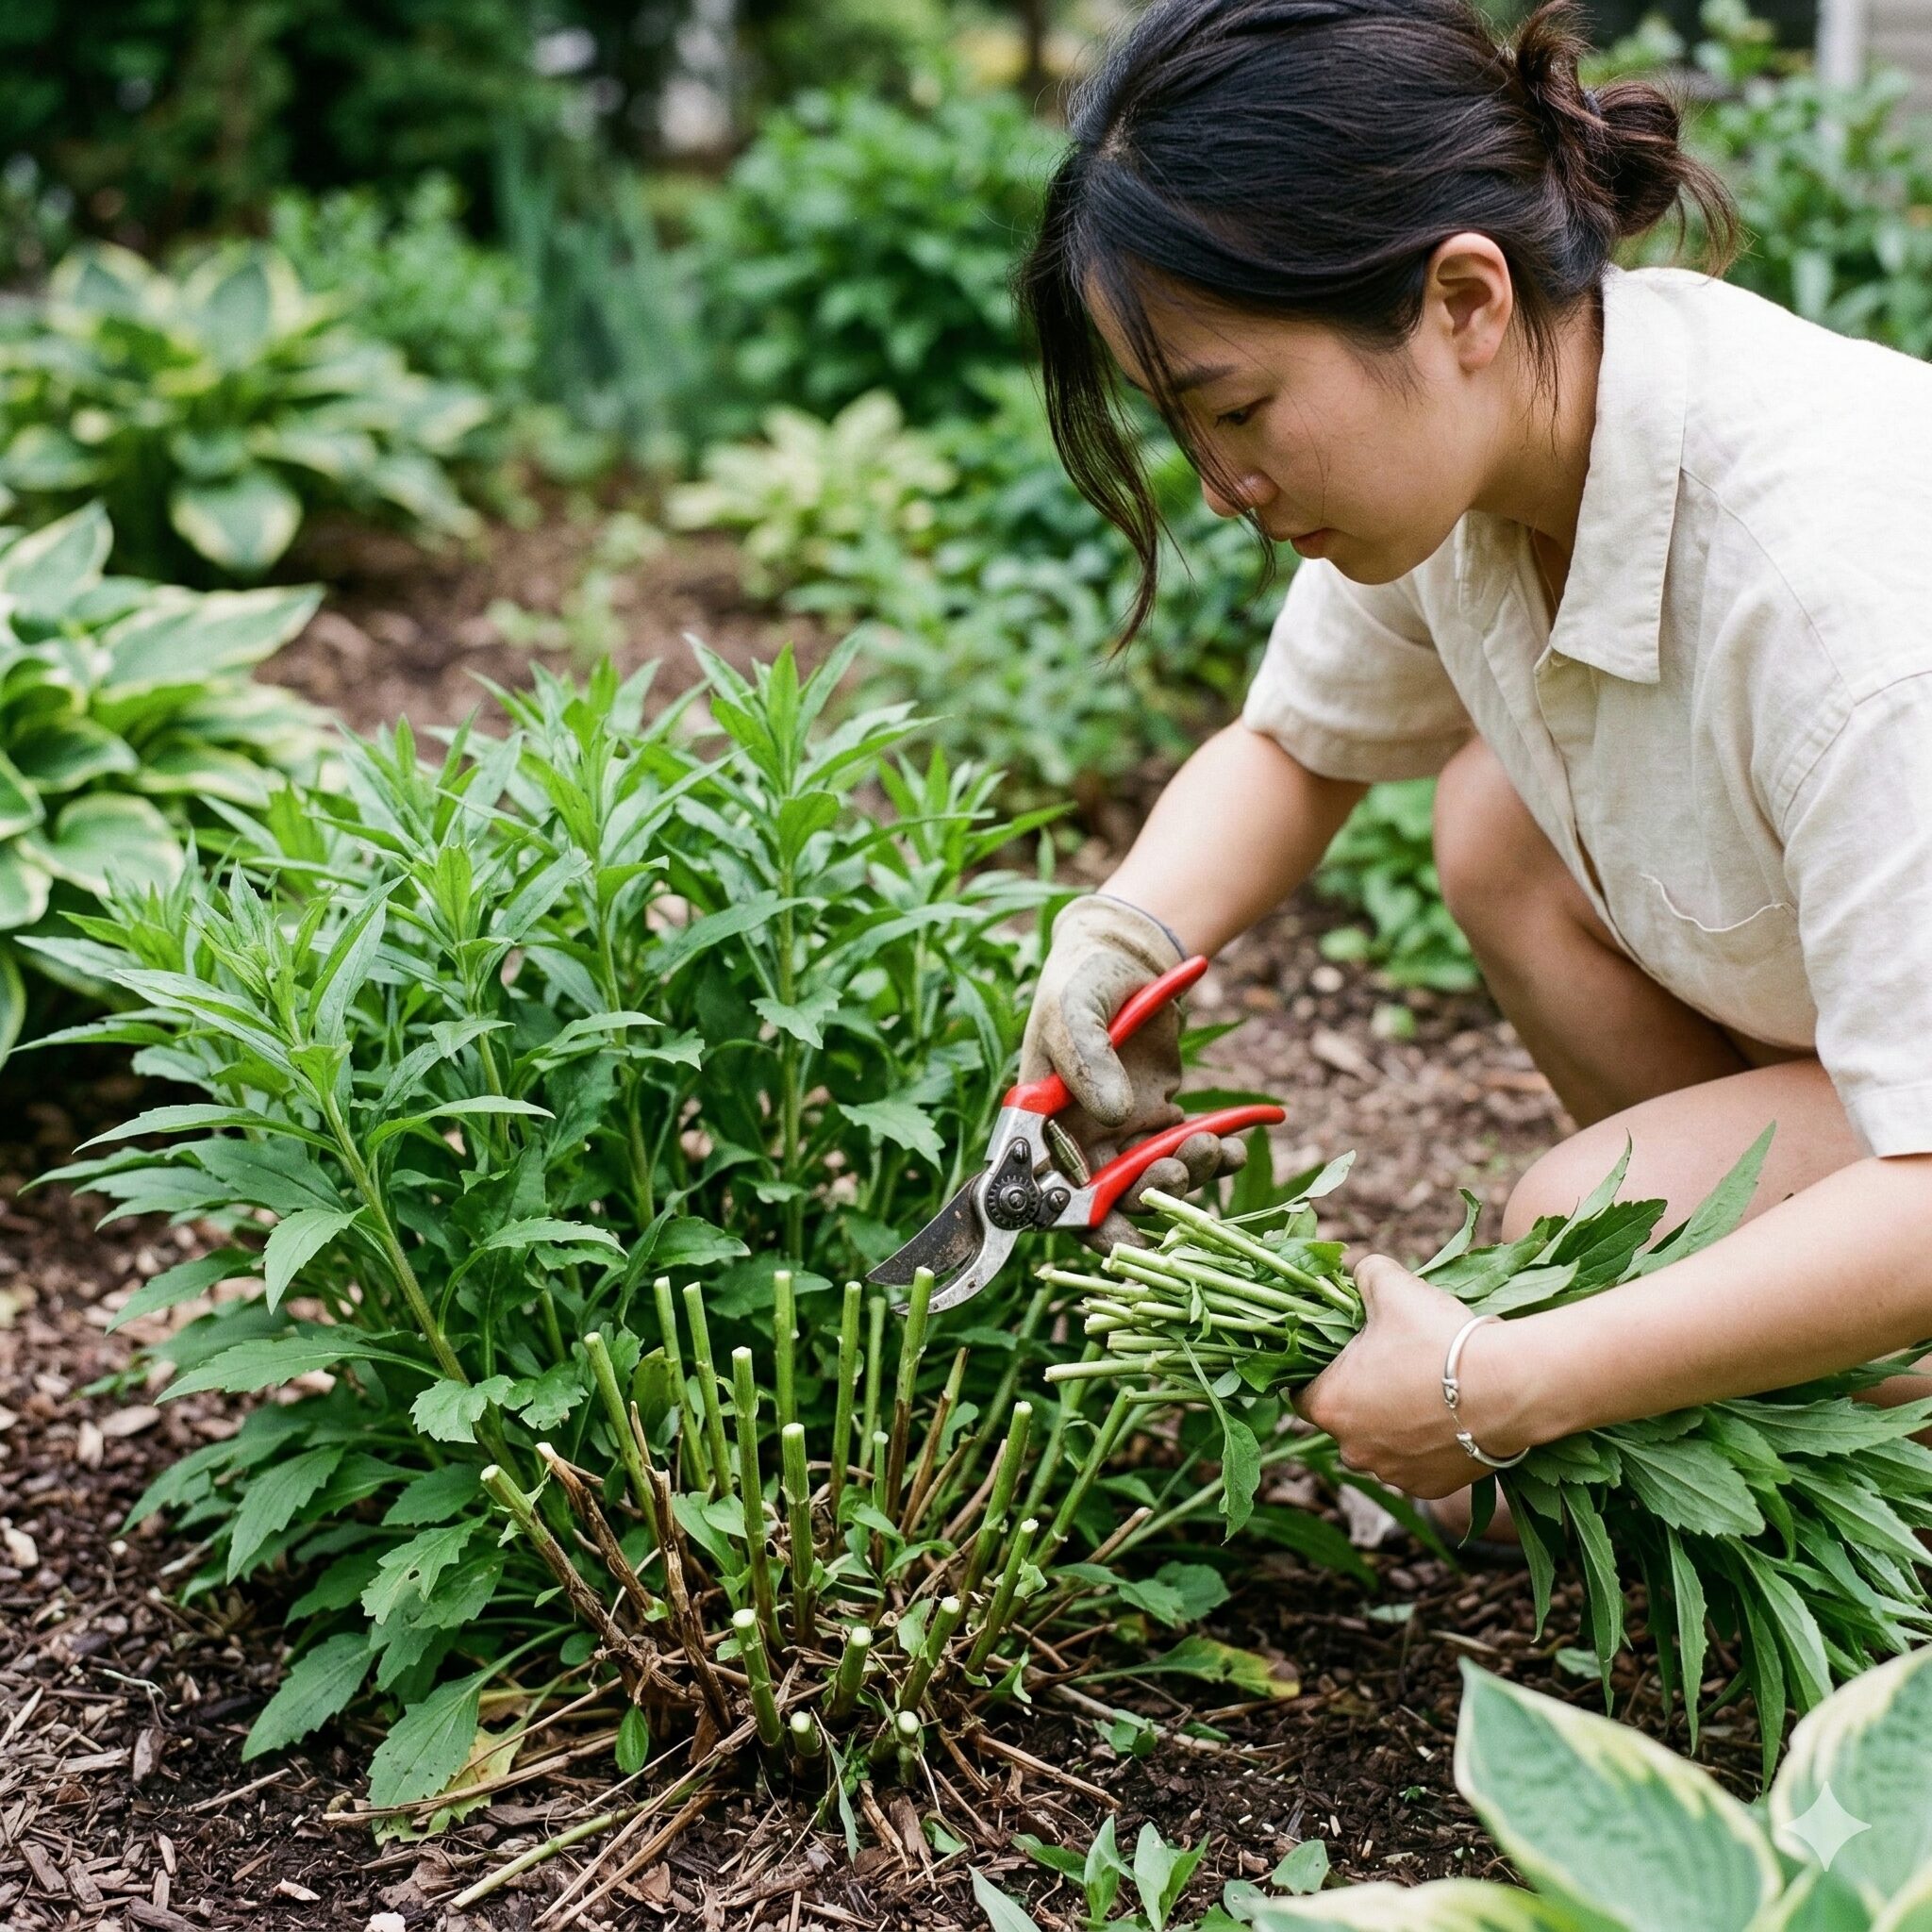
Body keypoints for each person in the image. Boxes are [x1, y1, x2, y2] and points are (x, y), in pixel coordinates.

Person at [1011, 0, 1932, 1532]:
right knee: (1497, 817)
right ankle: (1789, 1366)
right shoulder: (1501, 442)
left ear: (1462, 301)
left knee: (1579, 1221)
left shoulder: (1840, 601)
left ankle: (1859, 1399)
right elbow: (1294, 747)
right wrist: (1120, 938)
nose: (1226, 488)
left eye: (1239, 410)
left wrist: (1504, 1380)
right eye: (1188, 431)